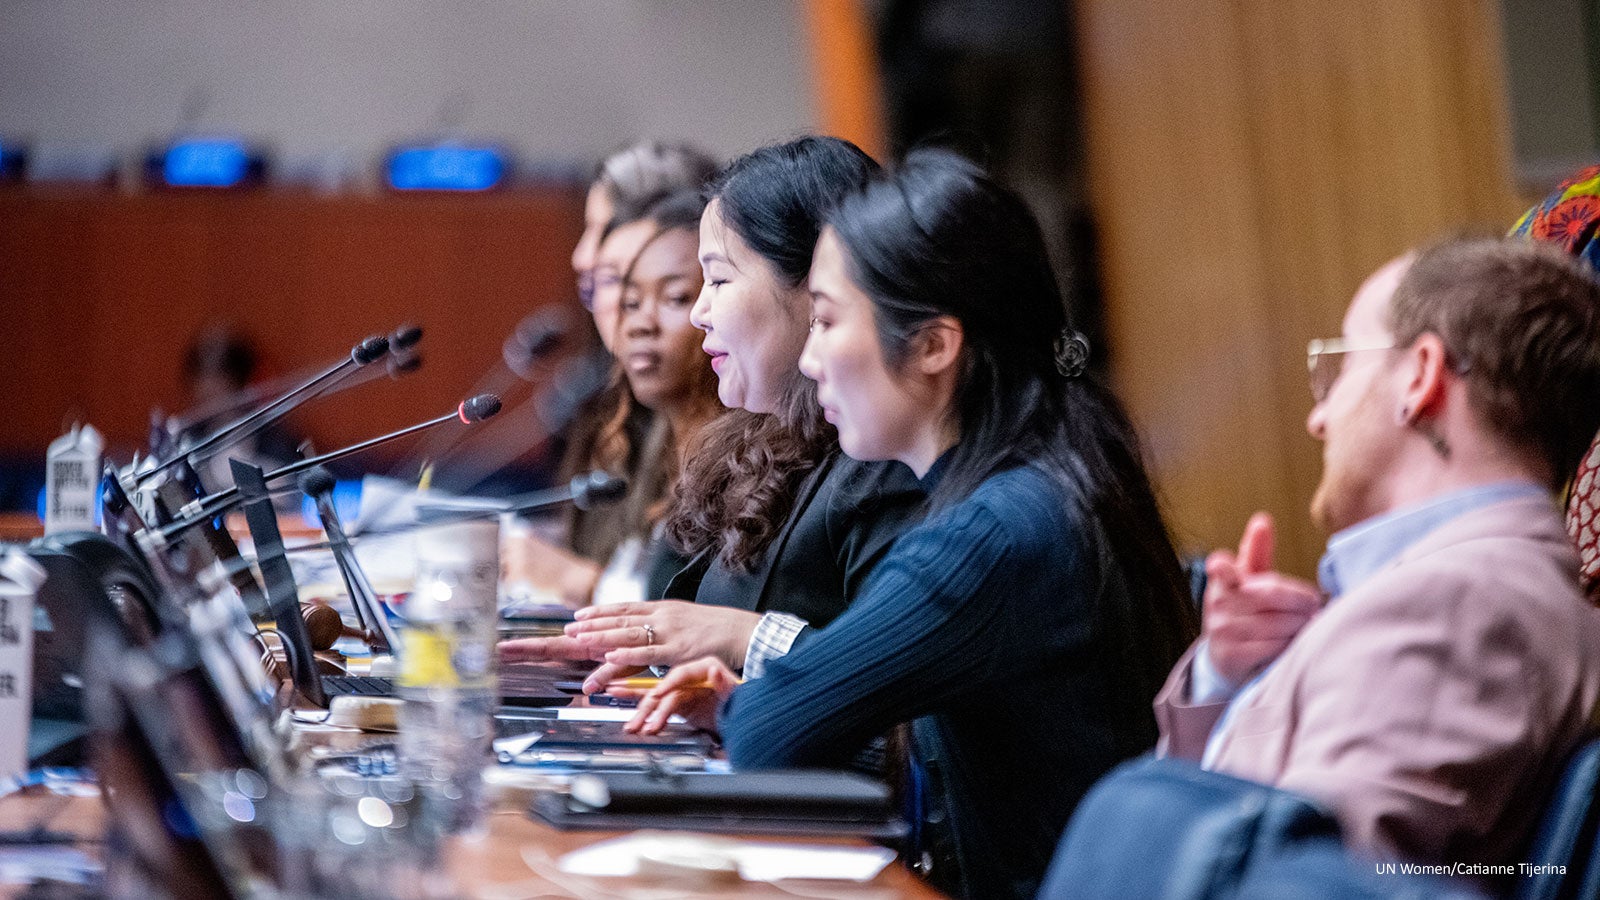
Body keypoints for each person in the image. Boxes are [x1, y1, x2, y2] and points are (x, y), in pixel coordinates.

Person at [629, 150, 1198, 899]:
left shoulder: (992, 533)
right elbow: (960, 760)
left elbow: (772, 734)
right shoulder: (1056, 472)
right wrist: (736, 704)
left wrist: (749, 704)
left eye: (829, 321)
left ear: (933, 345)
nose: (814, 356)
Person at [1152, 239, 1600, 875]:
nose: (1319, 416)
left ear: (1419, 378)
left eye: (1339, 365)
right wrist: (1228, 679)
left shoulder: (1451, 610)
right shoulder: (1473, 588)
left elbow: (1306, 888)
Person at [504, 137, 927, 685]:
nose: (702, 312)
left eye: (717, 281)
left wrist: (739, 638)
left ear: (816, 289)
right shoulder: (744, 446)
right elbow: (682, 630)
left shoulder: (883, 460)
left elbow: (898, 701)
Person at [509, 142, 718, 605]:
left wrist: (584, 583)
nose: (581, 257)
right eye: (628, 298)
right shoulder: (634, 414)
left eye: (674, 297)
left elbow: (701, 608)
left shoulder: (732, 440)